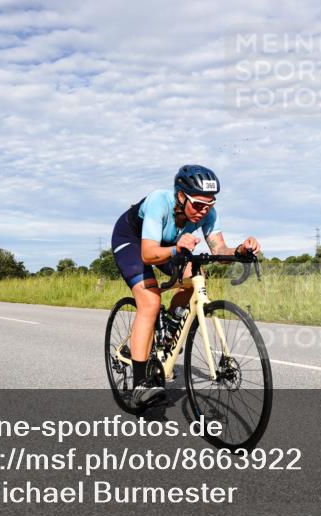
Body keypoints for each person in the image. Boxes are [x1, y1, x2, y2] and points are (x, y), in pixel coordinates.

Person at [111, 165, 259, 409]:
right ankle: (141, 385)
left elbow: (219, 251)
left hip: (170, 244)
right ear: (181, 196)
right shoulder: (159, 201)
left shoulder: (207, 213)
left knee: (196, 277)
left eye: (209, 205)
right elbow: (148, 254)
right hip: (133, 241)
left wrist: (240, 250)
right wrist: (176, 250)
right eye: (198, 205)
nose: (204, 211)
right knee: (150, 300)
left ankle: (169, 329)